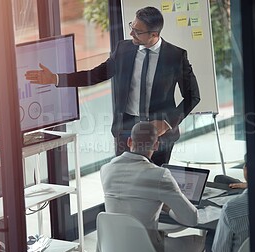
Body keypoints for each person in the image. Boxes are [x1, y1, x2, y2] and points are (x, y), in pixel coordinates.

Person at [25, 6, 200, 166]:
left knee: (155, 187)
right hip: (126, 131)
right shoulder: (123, 49)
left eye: (137, 31)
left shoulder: (175, 56)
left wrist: (167, 123)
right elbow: (95, 75)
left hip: (159, 134)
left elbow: (193, 96)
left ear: (154, 35)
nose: (131, 33)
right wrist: (56, 78)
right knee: (125, 183)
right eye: (132, 26)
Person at [99, 121, 205, 252]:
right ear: (156, 145)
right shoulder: (159, 175)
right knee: (200, 242)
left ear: (130, 141)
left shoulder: (106, 170)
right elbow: (192, 219)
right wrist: (167, 208)